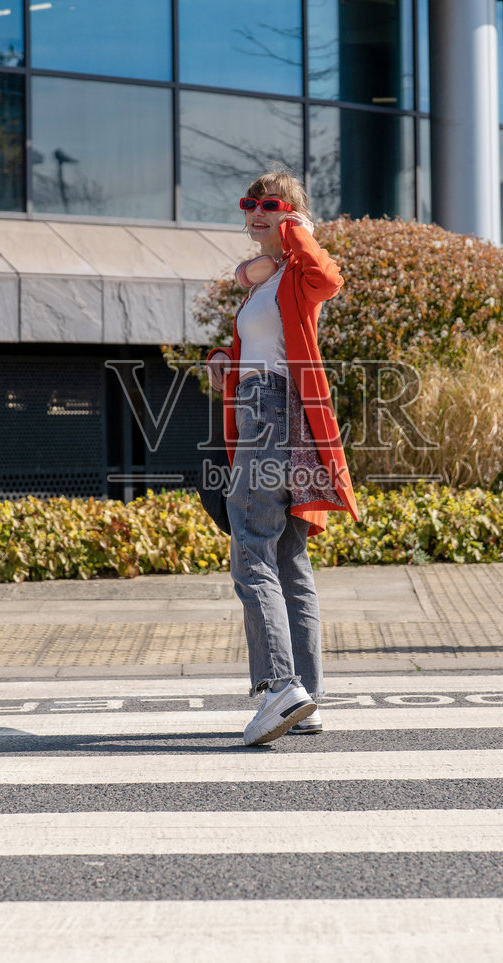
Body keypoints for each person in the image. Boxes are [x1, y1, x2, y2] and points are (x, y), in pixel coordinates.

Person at [206, 171, 359, 746]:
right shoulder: (261, 285)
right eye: (249, 204)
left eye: (270, 205)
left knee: (250, 544)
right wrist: (227, 356)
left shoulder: (299, 271)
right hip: (264, 405)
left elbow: (329, 278)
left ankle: (279, 687)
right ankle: (307, 698)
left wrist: (298, 234)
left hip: (272, 411)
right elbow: (263, 344)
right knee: (289, 556)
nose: (256, 212)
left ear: (293, 215)